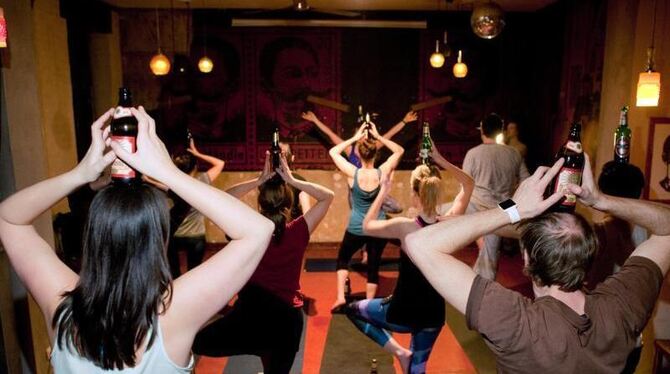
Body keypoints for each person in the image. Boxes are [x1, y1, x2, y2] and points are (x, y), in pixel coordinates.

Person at [0, 107, 274, 371]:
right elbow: (257, 230)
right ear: (158, 240)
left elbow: (8, 218)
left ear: (94, 236)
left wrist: (80, 175)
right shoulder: (173, 314)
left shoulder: (63, 309)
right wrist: (167, 172)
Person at [403, 154, 670, 373]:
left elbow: (419, 243)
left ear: (528, 258)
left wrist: (513, 208)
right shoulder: (622, 307)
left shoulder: (518, 324)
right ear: (589, 252)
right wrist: (601, 200)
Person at [193, 153, 334, 374]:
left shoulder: (248, 228)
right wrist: (293, 181)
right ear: (289, 201)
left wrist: (257, 181)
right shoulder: (297, 231)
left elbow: (222, 198)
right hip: (286, 323)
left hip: (250, 318)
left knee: (195, 343)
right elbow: (327, 196)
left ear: (260, 201)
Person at [346, 147, 473, 373]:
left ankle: (400, 353)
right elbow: (469, 184)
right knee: (417, 370)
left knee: (354, 309)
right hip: (432, 316)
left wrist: (382, 193)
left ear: (415, 194)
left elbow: (366, 226)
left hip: (401, 311)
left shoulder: (405, 227)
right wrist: (440, 158)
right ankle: (408, 358)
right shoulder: (449, 223)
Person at [329, 123, 404, 312]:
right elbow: (399, 150)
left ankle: (340, 298)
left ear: (359, 155)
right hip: (378, 227)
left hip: (356, 227)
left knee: (343, 259)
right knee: (373, 266)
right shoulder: (382, 171)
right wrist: (379, 136)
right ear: (375, 154)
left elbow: (333, 152)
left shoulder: (352, 173)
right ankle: (369, 305)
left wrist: (355, 138)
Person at [463, 112, 529, 280]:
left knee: (488, 251)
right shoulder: (513, 153)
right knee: (524, 231)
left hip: (480, 209)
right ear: (501, 131)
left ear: (482, 130)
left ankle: (483, 287)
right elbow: (526, 181)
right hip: (505, 207)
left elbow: (464, 186)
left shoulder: (473, 154)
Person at [167, 139, 225, 277]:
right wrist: (197, 153)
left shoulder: (170, 183)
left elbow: (148, 177)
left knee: (174, 275)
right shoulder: (202, 181)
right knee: (194, 274)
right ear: (195, 167)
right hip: (196, 237)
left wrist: (169, 164)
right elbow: (220, 163)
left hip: (174, 237)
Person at [279, 141, 312, 219]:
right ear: (293, 158)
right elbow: (307, 214)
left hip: (272, 229)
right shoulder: (301, 181)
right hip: (292, 227)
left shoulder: (265, 181)